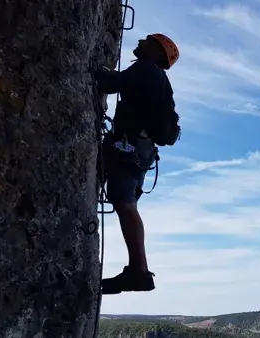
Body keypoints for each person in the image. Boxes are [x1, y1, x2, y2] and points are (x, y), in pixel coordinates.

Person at [93, 33, 180, 295]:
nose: (140, 42)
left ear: (156, 51)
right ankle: (137, 270)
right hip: (141, 152)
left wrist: (95, 67)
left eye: (147, 41)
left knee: (125, 204)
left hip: (129, 148)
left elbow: (109, 84)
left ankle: (138, 271)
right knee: (127, 205)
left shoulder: (145, 69)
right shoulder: (159, 79)